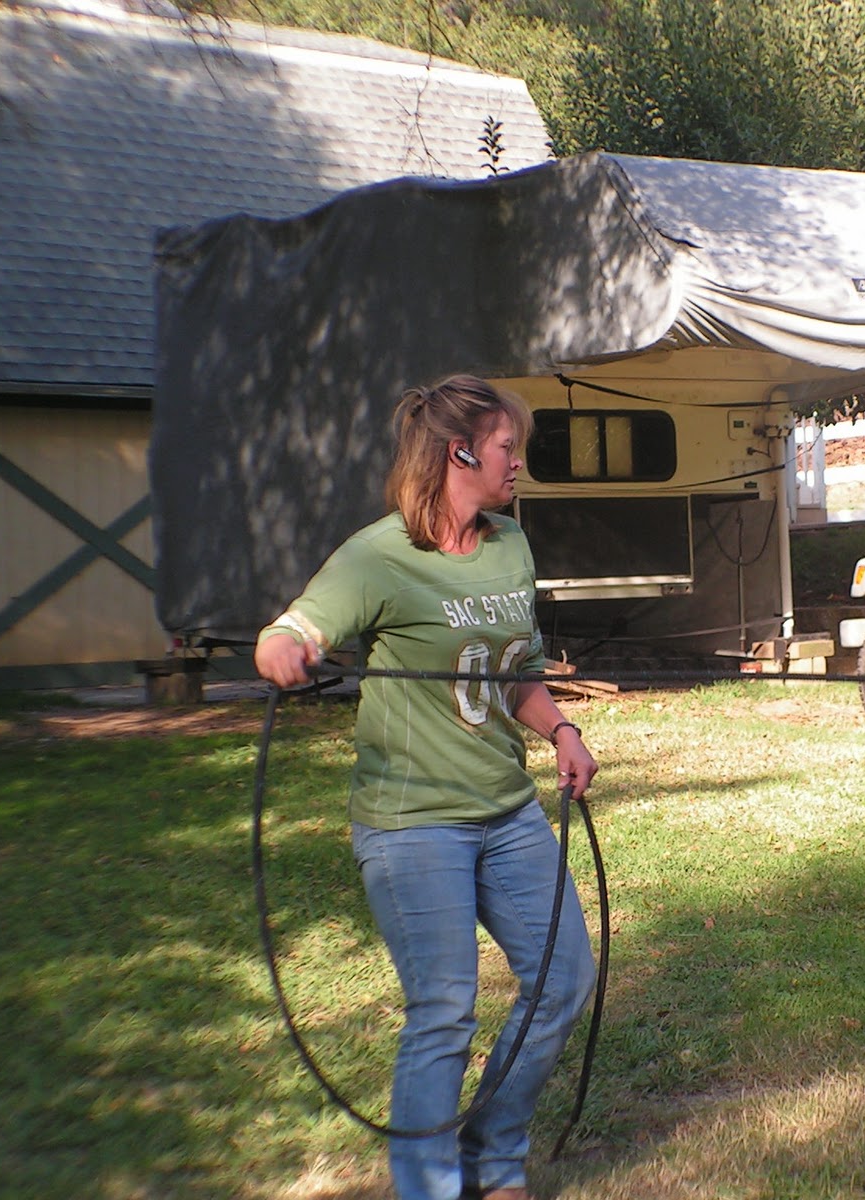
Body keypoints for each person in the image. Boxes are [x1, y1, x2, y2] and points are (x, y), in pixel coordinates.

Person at [254, 374, 597, 1200]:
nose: (519, 462)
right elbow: (292, 628)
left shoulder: (511, 544)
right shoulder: (379, 556)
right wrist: (283, 654)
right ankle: (432, 1185)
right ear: (462, 451)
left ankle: (491, 1154)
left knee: (565, 981)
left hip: (506, 812)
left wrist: (561, 729)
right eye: (509, 447)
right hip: (413, 827)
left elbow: (517, 670)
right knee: (444, 1012)